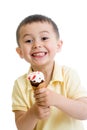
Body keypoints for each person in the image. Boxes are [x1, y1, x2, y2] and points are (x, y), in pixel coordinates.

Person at [12, 14, 87, 130]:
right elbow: (22, 127)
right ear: (20, 52)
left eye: (44, 38)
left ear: (58, 45)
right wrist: (33, 113)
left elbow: (84, 112)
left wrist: (58, 100)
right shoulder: (20, 84)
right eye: (28, 40)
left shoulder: (68, 75)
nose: (37, 45)